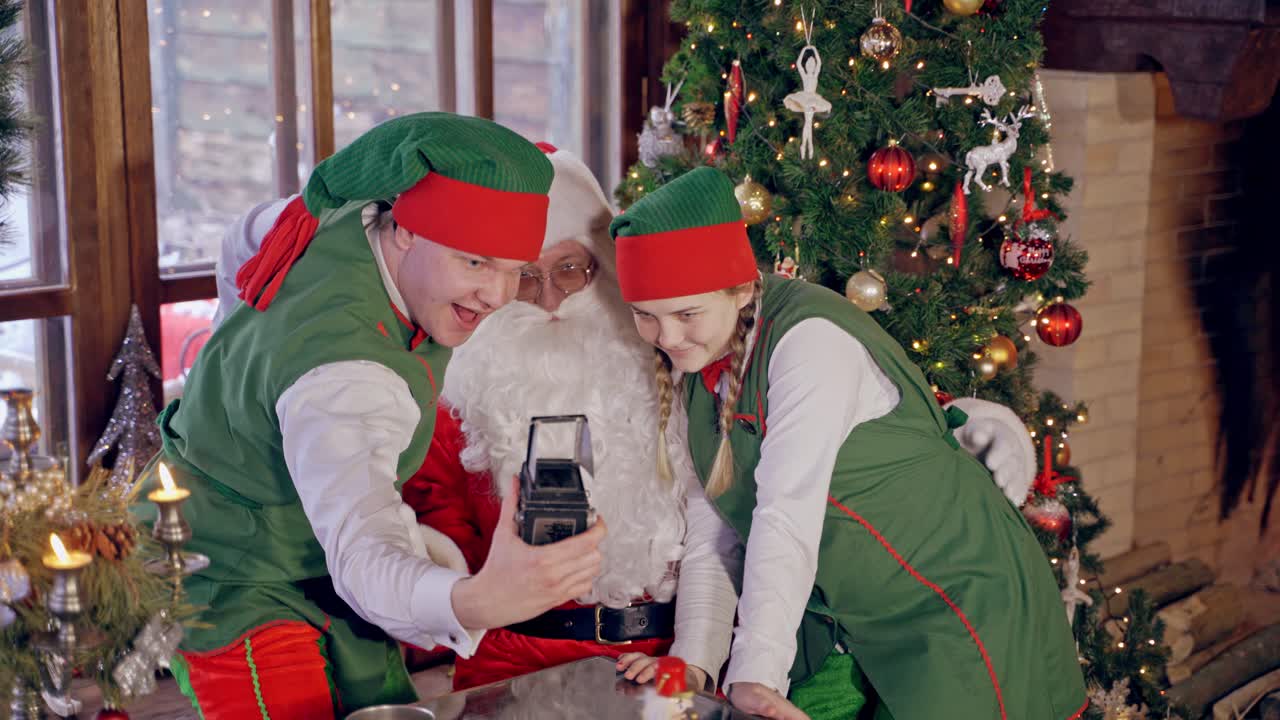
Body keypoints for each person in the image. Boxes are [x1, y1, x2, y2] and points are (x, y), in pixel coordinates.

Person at [133, 113, 607, 720]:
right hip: (225, 566)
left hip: (317, 564)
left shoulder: (344, 216)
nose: (497, 295)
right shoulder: (347, 380)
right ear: (406, 232)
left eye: (514, 268)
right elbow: (364, 553)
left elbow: (243, 239)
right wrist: (482, 600)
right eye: (475, 263)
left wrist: (237, 356)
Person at [609, 166, 1089, 720]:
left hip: (955, 597)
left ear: (739, 290)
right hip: (848, 617)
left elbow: (785, 515)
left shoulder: (810, 343)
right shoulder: (696, 367)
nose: (667, 338)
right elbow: (715, 534)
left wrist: (756, 672)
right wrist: (693, 662)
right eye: (646, 316)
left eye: (686, 313)